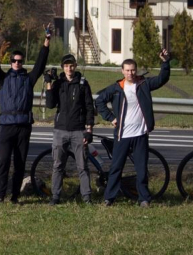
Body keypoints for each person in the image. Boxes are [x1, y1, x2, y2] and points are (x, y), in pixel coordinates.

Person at [96, 49, 171, 207]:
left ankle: (144, 199)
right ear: (122, 71)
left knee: (141, 169)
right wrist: (110, 118)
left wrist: (165, 62)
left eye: (133, 70)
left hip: (140, 134)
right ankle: (109, 198)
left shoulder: (143, 84)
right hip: (122, 135)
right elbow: (100, 101)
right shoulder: (116, 88)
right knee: (116, 167)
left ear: (136, 71)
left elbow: (162, 79)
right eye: (127, 70)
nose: (130, 73)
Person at [0, 24, 51, 203]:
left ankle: (15, 196)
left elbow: (40, 64)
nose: (17, 63)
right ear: (10, 62)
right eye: (14, 60)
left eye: (20, 61)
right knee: (3, 163)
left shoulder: (29, 79)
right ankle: (0, 195)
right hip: (7, 126)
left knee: (19, 164)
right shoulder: (4, 78)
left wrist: (47, 41)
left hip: (23, 126)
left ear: (23, 62)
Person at [44, 53, 95, 205]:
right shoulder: (59, 83)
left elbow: (89, 108)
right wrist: (49, 84)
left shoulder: (83, 84)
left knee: (82, 166)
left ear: (75, 66)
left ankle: (86, 197)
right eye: (66, 66)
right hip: (60, 130)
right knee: (58, 165)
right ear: (62, 67)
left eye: (71, 65)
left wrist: (89, 129)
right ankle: (55, 196)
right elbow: (50, 104)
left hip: (78, 130)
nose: (69, 68)